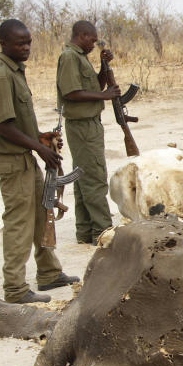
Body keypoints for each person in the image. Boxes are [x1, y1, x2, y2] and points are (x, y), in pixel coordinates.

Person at [0, 19, 79, 303]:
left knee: (42, 213)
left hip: (24, 156)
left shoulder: (15, 72)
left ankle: (49, 273)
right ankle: (14, 288)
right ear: (3, 44)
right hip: (14, 162)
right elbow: (3, 127)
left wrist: (40, 136)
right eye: (19, 43)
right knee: (19, 223)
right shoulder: (3, 76)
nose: (26, 48)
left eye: (28, 42)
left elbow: (17, 122)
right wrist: (39, 148)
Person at [56, 20, 121, 244]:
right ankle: (103, 232)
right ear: (82, 36)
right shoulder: (70, 57)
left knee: (83, 177)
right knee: (94, 177)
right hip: (82, 125)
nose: (94, 45)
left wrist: (104, 67)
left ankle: (86, 231)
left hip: (89, 123)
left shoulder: (80, 57)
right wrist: (105, 97)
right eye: (92, 40)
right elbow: (71, 92)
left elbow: (95, 87)